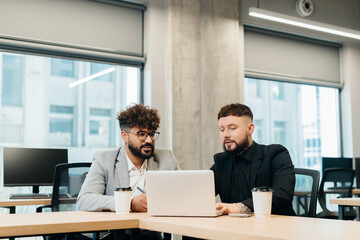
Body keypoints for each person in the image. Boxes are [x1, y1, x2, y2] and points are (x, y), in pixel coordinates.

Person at [77, 103, 180, 239]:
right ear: (124, 136)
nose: (149, 140)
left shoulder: (166, 157)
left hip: (150, 234)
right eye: (142, 134)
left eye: (152, 134)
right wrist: (129, 203)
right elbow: (84, 200)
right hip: (114, 235)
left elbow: (183, 193)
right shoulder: (104, 160)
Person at [212, 103, 296, 216]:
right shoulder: (221, 162)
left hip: (276, 226)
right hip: (234, 227)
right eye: (222, 130)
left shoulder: (276, 154)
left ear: (250, 129)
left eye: (232, 128)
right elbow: (200, 193)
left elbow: (282, 194)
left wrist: (239, 207)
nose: (225, 134)